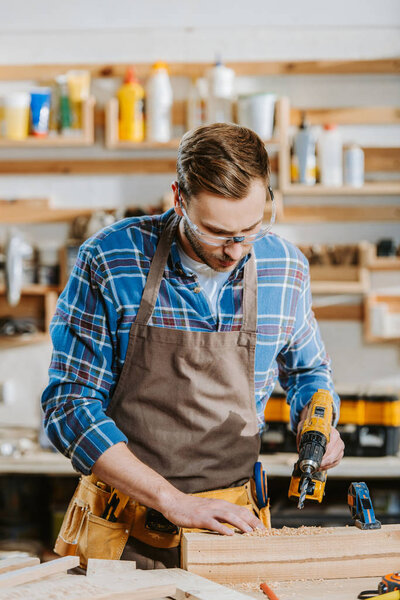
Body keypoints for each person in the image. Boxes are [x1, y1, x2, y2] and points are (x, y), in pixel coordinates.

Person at [42, 123, 344, 570]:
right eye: (216, 232)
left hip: (233, 530)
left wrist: (316, 423)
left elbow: (308, 372)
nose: (236, 249)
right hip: (119, 531)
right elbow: (69, 407)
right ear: (178, 199)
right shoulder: (111, 259)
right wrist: (172, 499)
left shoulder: (286, 267)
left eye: (252, 228)